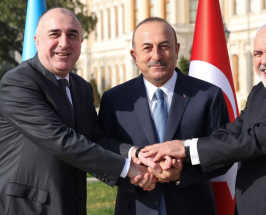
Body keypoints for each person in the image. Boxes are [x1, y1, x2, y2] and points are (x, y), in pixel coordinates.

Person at [143, 20, 266, 214]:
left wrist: (184, 148)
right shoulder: (260, 91)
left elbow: (255, 140)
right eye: (258, 54)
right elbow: (232, 132)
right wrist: (180, 166)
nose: (264, 61)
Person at [0, 8, 151, 215]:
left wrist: (137, 154)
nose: (64, 42)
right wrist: (127, 168)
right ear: (37, 40)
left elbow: (93, 138)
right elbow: (61, 140)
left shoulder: (82, 88)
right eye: (54, 34)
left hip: (68, 205)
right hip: (19, 207)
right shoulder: (18, 83)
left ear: (81, 42)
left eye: (72, 35)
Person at [98, 17, 231, 215]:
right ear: (134, 55)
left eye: (164, 46)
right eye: (147, 48)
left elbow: (223, 153)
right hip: (135, 208)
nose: (156, 55)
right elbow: (102, 148)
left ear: (177, 50)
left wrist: (180, 175)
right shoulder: (114, 100)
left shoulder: (208, 95)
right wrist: (132, 169)